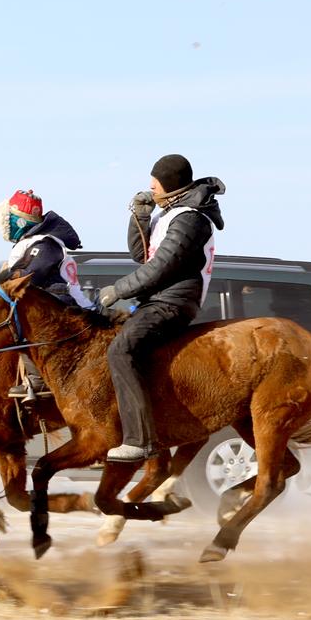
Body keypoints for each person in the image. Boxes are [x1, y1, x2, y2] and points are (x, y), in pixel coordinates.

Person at [97, 154, 226, 462]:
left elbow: (160, 269)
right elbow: (143, 255)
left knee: (121, 351)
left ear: (169, 185)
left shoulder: (191, 219)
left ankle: (140, 439)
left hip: (172, 302)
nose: (150, 189)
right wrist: (140, 217)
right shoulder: (170, 214)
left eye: (154, 184)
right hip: (156, 300)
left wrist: (119, 290)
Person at [0, 189, 91, 402]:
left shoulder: (46, 243)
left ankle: (40, 379)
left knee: (18, 327)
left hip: (63, 304)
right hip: (55, 302)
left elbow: (30, 274)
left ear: (19, 220)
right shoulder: (33, 242)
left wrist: (2, 279)